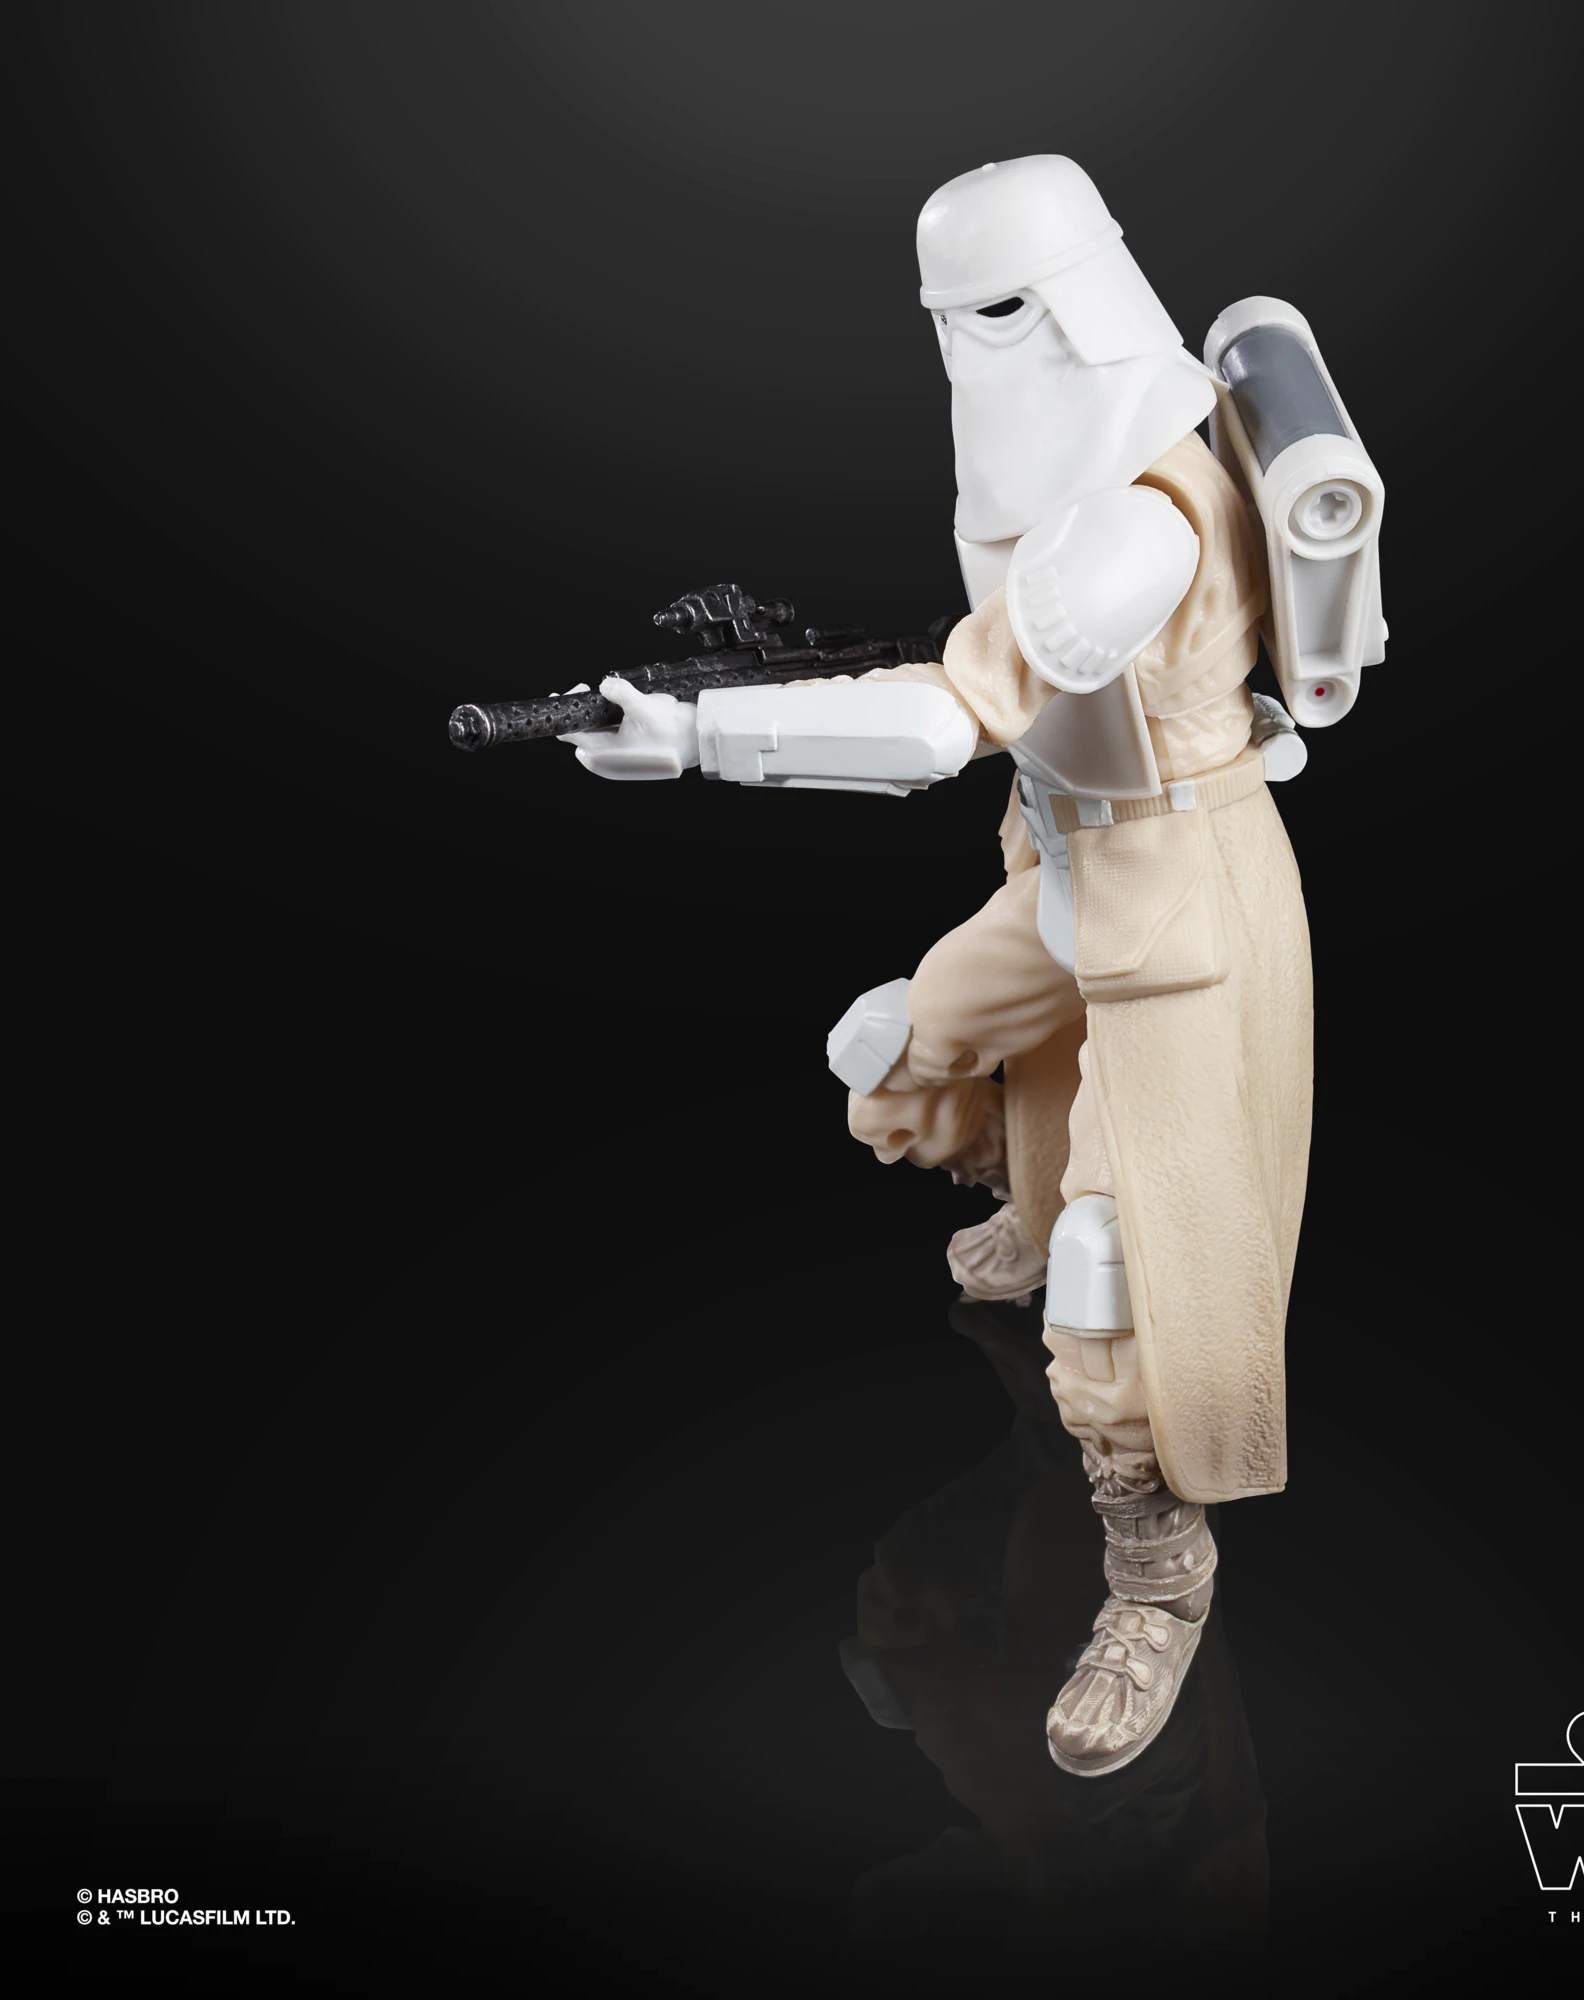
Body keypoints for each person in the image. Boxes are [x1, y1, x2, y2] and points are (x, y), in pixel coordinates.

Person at [566, 156, 1322, 1777]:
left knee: (1122, 1263)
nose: (969, 352)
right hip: (1064, 862)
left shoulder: (1145, 515)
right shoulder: (1075, 480)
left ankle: (1157, 1572)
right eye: (950, 323)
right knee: (887, 1047)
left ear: (1058, 305)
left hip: (1184, 898)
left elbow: (940, 721)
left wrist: (697, 736)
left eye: (988, 317)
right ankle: (1026, 1196)